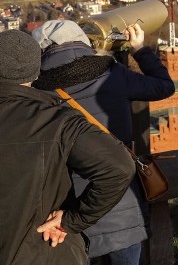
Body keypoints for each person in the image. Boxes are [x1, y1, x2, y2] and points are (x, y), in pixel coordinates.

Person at [31, 20, 176, 265]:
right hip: (122, 206)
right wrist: (139, 49)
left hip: (67, 212)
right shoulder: (111, 73)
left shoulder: (37, 91)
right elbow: (164, 86)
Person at [0, 29, 136, 265]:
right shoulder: (57, 120)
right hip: (46, 250)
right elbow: (119, 167)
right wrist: (71, 220)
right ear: (35, 71)